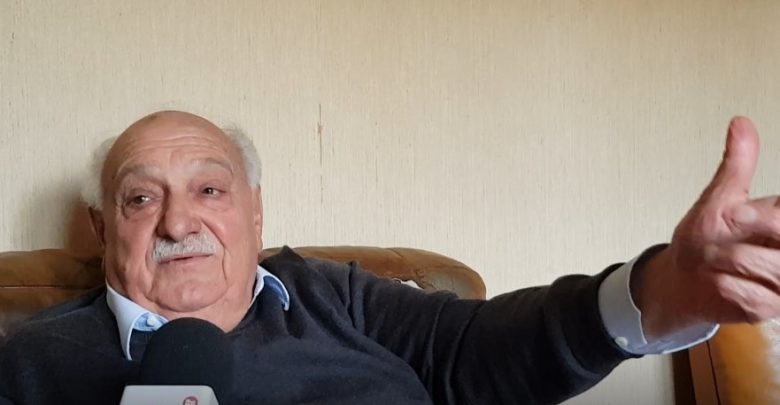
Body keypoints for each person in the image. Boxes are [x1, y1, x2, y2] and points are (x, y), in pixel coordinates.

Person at [0, 111, 778, 404]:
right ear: (103, 227)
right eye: (142, 198)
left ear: (256, 209)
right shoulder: (31, 360)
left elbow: (491, 347)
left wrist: (662, 292)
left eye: (209, 189)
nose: (178, 220)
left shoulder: (340, 298)